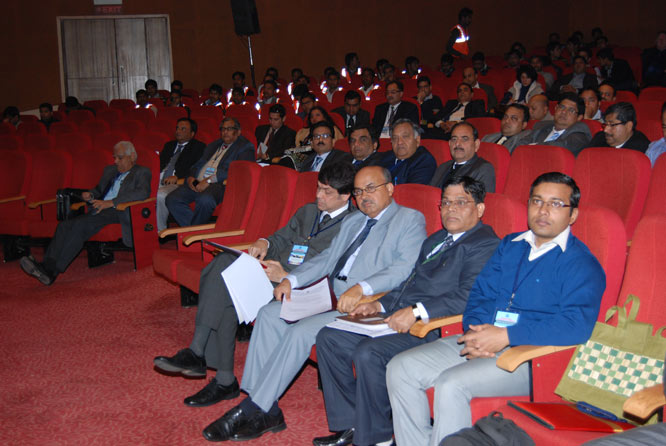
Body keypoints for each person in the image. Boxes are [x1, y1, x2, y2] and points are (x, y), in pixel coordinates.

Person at [200, 166, 427, 442]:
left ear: (390, 189)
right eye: (358, 191)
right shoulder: (354, 221)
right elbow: (326, 259)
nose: (364, 196)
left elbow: (403, 269)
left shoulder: (409, 220)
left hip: (366, 304)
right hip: (328, 296)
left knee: (300, 332)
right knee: (270, 314)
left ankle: (251, 408)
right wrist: (291, 280)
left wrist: (362, 288)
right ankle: (267, 407)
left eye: (371, 188)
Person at [387, 172, 606, 446]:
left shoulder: (581, 263)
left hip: (531, 356)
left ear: (572, 215)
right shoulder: (510, 245)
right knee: (401, 368)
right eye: (537, 201)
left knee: (451, 384)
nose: (543, 210)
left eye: (555, 204)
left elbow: (576, 325)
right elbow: (481, 293)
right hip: (484, 338)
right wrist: (475, 332)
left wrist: (506, 336)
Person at [312, 176, 500, 446]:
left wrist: (416, 311)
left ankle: (379, 437)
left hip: (434, 327)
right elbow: (409, 283)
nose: (451, 209)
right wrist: (378, 304)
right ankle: (350, 423)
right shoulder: (436, 239)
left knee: (369, 353)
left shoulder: (485, 244)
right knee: (330, 337)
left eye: (460, 203)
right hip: (401, 315)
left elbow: (467, 296)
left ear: (479, 209)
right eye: (446, 203)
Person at [153, 163, 356, 407]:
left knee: (223, 285)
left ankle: (210, 366)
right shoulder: (308, 211)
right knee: (224, 265)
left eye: (327, 192)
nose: (319, 195)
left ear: (346, 195)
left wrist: (287, 276)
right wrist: (264, 243)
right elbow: (280, 239)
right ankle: (207, 363)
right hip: (271, 273)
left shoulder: (353, 225)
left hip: (301, 289)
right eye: (318, 188)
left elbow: (334, 272)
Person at [20, 142, 151, 285]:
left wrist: (111, 202)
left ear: (132, 156)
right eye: (114, 157)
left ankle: (52, 271)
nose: (115, 161)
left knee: (80, 225)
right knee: (63, 226)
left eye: (119, 158)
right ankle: (47, 265)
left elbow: (142, 193)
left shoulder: (142, 172)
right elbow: (98, 190)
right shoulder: (110, 170)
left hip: (118, 210)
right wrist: (90, 195)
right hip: (100, 208)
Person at [165, 117, 255, 227]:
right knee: (172, 199)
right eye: (223, 129)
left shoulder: (245, 147)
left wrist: (209, 181)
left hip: (219, 184)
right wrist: (190, 177)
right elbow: (197, 164)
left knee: (205, 200)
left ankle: (193, 232)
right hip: (198, 182)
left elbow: (240, 170)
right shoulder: (214, 145)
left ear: (238, 132)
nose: (225, 132)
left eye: (229, 129)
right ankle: (196, 231)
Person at [156, 118, 206, 232]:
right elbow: (160, 164)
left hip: (179, 182)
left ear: (192, 134)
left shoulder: (199, 147)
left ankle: (160, 231)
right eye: (177, 128)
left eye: (183, 129)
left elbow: (195, 169)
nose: (178, 131)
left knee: (160, 195)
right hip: (160, 178)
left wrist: (178, 176)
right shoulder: (169, 145)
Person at [517, 93, 591, 156]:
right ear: (556, 108)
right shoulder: (541, 127)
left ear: (579, 117)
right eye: (562, 107)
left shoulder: (580, 136)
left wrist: (532, 147)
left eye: (571, 110)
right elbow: (521, 144)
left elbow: (558, 148)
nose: (564, 112)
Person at [431, 122, 495, 192]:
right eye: (454, 139)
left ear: (476, 144)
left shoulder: (483, 169)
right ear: (449, 144)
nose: (457, 144)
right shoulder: (442, 167)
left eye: (464, 139)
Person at [380, 119, 437, 185]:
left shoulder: (423, 160)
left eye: (405, 137)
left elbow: (412, 189)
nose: (399, 142)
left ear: (417, 140)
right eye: (395, 138)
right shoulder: (386, 156)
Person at [585, 102, 650, 153]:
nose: (606, 130)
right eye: (606, 124)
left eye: (612, 125)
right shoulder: (599, 138)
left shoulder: (641, 148)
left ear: (629, 126)